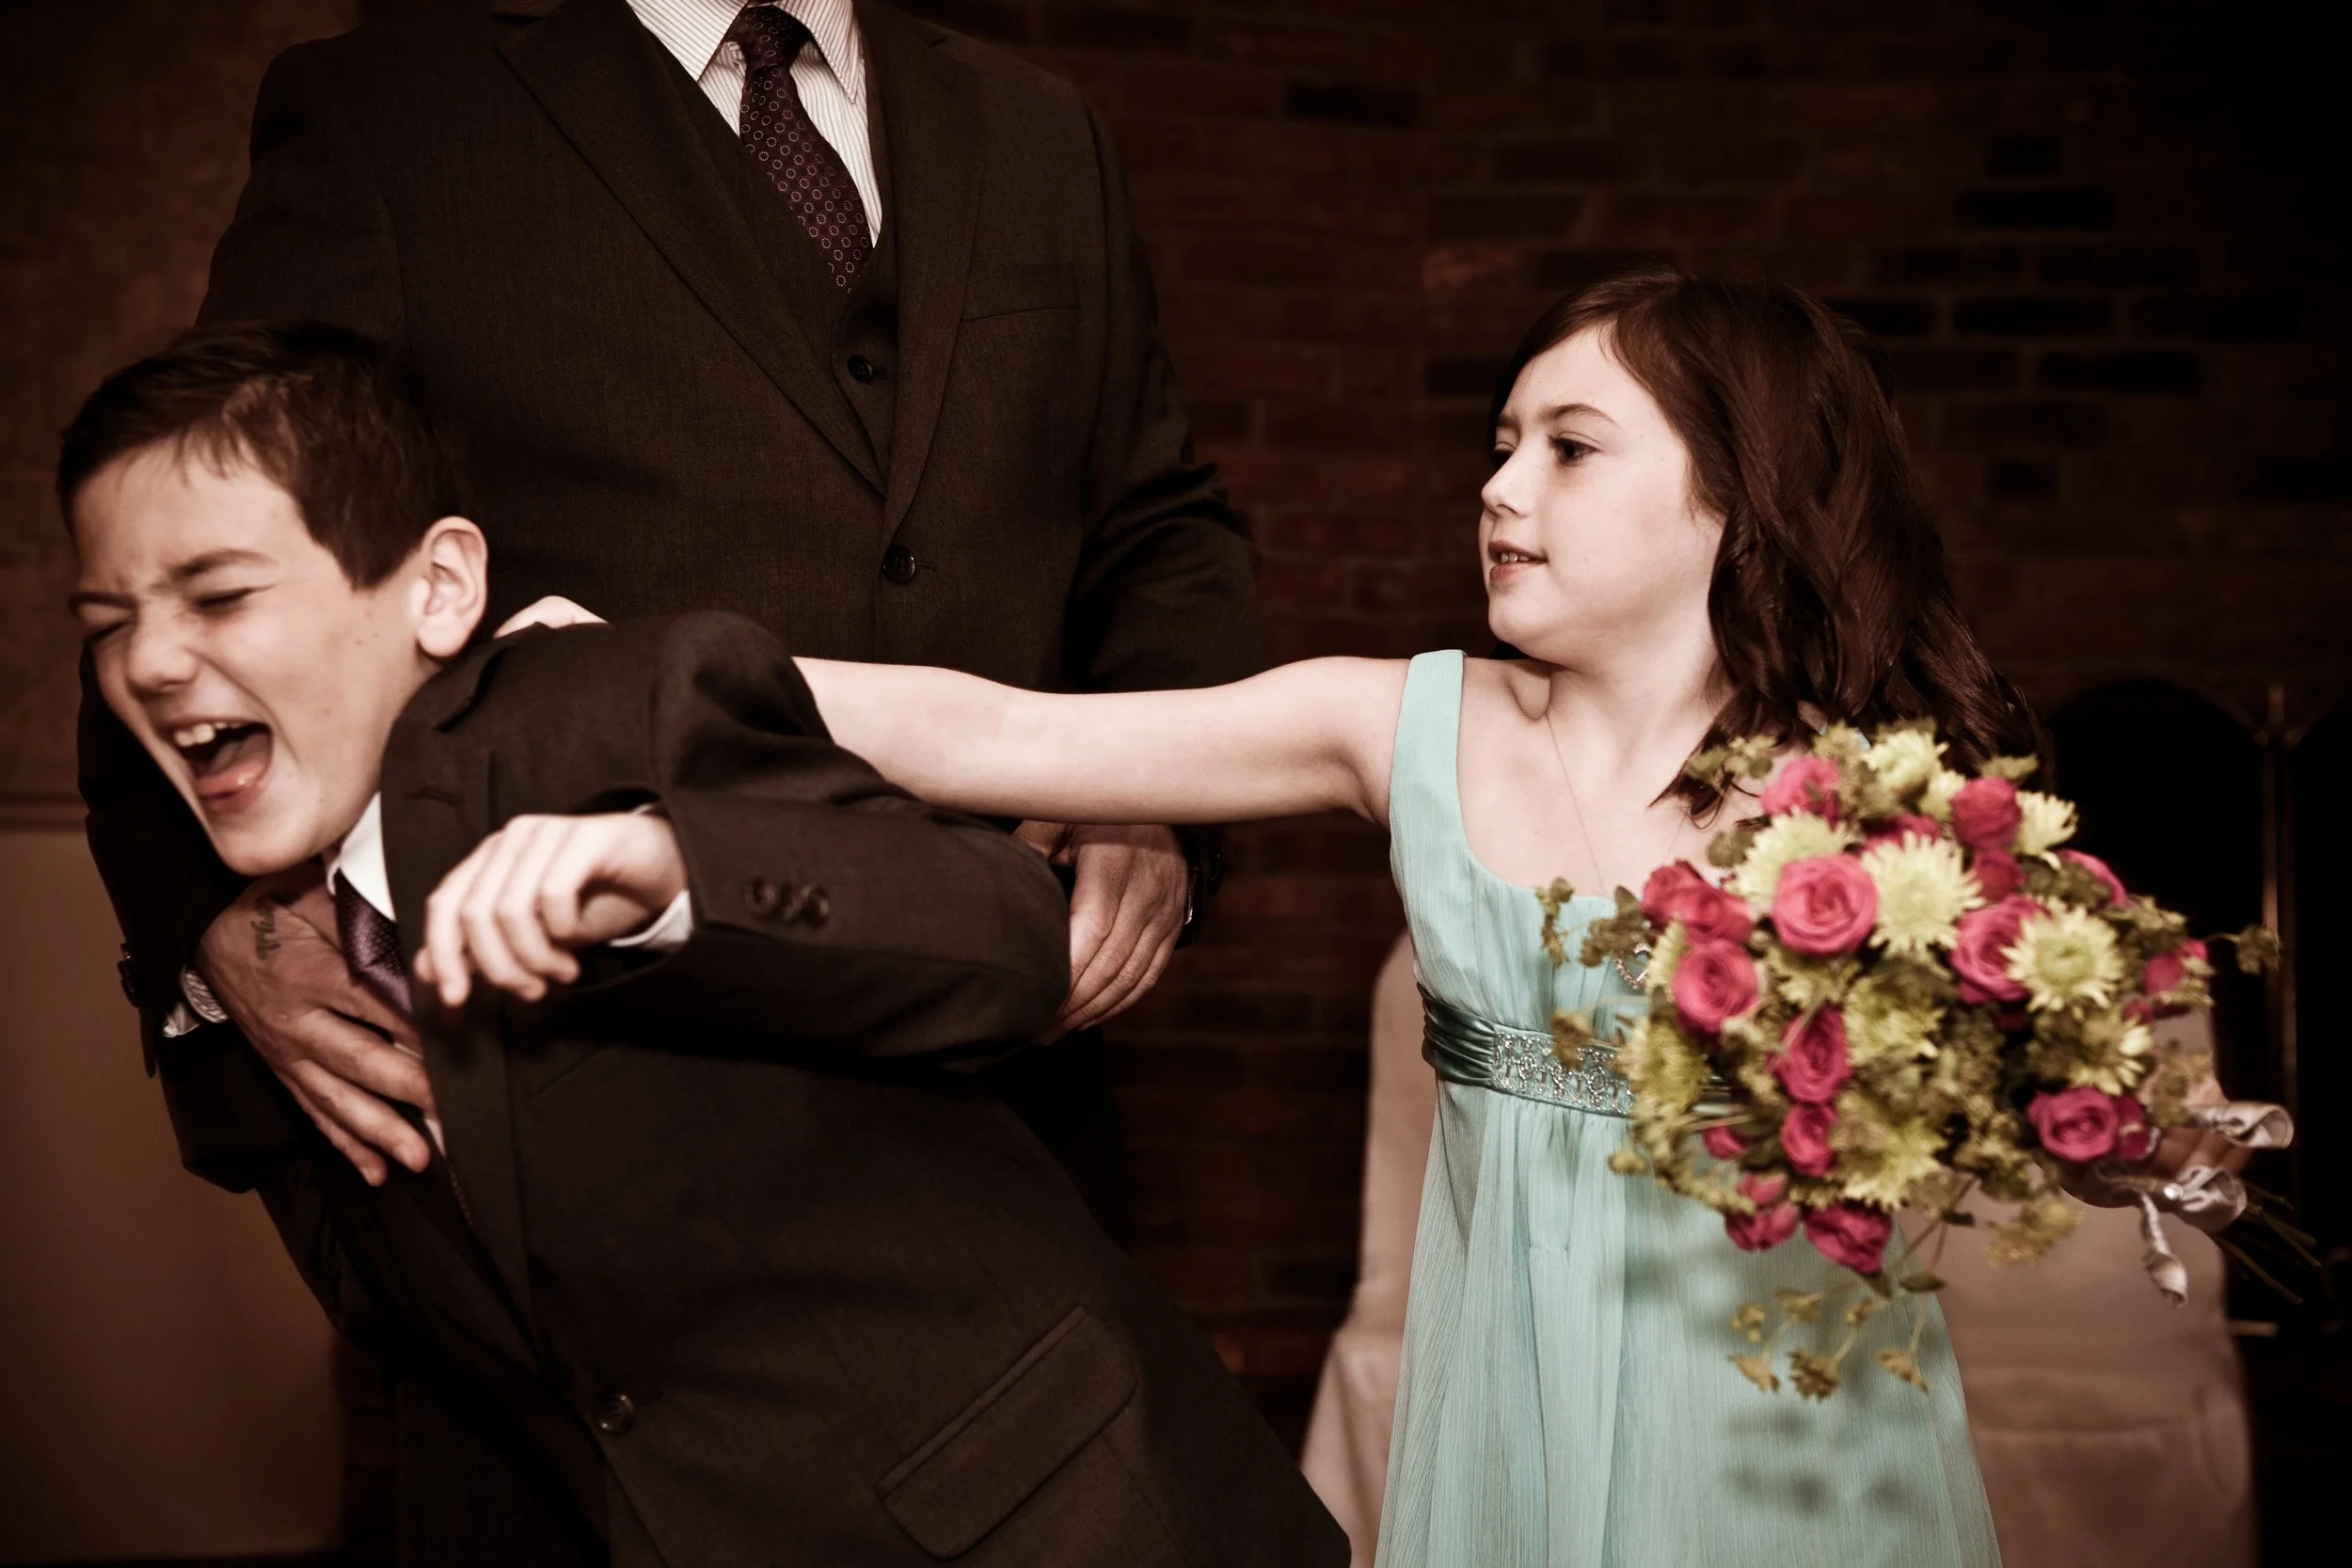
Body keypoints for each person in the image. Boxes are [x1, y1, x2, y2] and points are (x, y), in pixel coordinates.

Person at [755, 268, 2026, 1564]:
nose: (1501, 486)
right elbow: (997, 731)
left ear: (1737, 493)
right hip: (1509, 1424)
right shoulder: (1405, 723)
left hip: (1785, 1442)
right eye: (1501, 445)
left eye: (1570, 447)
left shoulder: (1881, 809)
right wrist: (671, 666)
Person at [62, 321, 1346, 1568]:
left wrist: (683, 876)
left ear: (440, 588)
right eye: (109, 620)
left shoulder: (612, 708)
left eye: (218, 594)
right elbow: (419, 1313)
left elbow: (1001, 931)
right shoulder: (282, 992)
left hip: (1057, 1517)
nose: (155, 661)